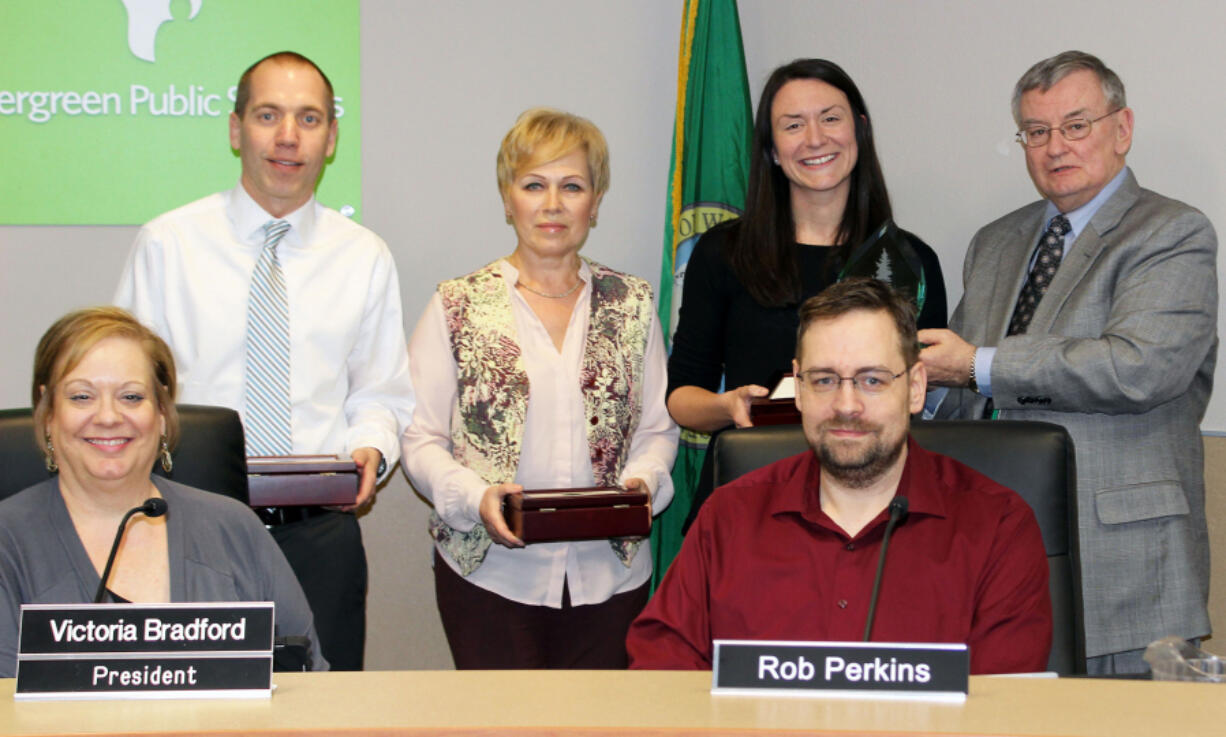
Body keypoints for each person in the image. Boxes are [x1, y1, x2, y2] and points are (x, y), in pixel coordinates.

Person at [113, 51, 414, 671]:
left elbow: (381, 392)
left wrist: (373, 449)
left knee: (324, 710)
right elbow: (126, 390)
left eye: (309, 119)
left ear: (331, 139)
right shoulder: (169, 244)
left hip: (319, 534)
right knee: (192, 707)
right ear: (235, 129)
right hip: (189, 527)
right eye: (268, 115)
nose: (287, 137)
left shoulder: (364, 256)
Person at [919, 51, 1217, 675]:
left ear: (1122, 129)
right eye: (1036, 131)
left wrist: (972, 364)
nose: (1055, 146)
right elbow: (969, 383)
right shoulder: (995, 241)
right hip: (996, 557)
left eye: (1076, 125)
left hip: (1124, 565)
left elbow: (1138, 369)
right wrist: (905, 378)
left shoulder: (1173, 232)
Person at [628, 278, 1051, 675]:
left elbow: (1001, 710)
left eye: (872, 379)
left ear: (916, 387)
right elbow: (661, 672)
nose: (846, 405)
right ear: (799, 387)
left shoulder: (998, 527)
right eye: (825, 379)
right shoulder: (728, 517)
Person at [402, 108, 679, 669]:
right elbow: (420, 438)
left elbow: (656, 428)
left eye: (572, 186)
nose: (552, 204)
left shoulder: (632, 305)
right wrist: (473, 498)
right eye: (534, 185)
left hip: (612, 579)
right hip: (490, 579)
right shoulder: (456, 304)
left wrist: (640, 487)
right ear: (508, 199)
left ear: (595, 202)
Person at [666, 59, 947, 524]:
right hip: (750, 490)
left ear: (859, 130)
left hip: (872, 495)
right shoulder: (722, 252)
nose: (815, 139)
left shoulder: (909, 261)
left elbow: (923, 397)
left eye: (830, 118)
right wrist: (728, 406)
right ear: (773, 150)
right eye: (793, 125)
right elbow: (682, 397)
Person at [0, 307, 324, 677]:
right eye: (81, 397)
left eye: (132, 397)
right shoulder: (7, 544)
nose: (108, 416)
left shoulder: (234, 528)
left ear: (162, 414)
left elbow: (308, 683)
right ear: (47, 413)